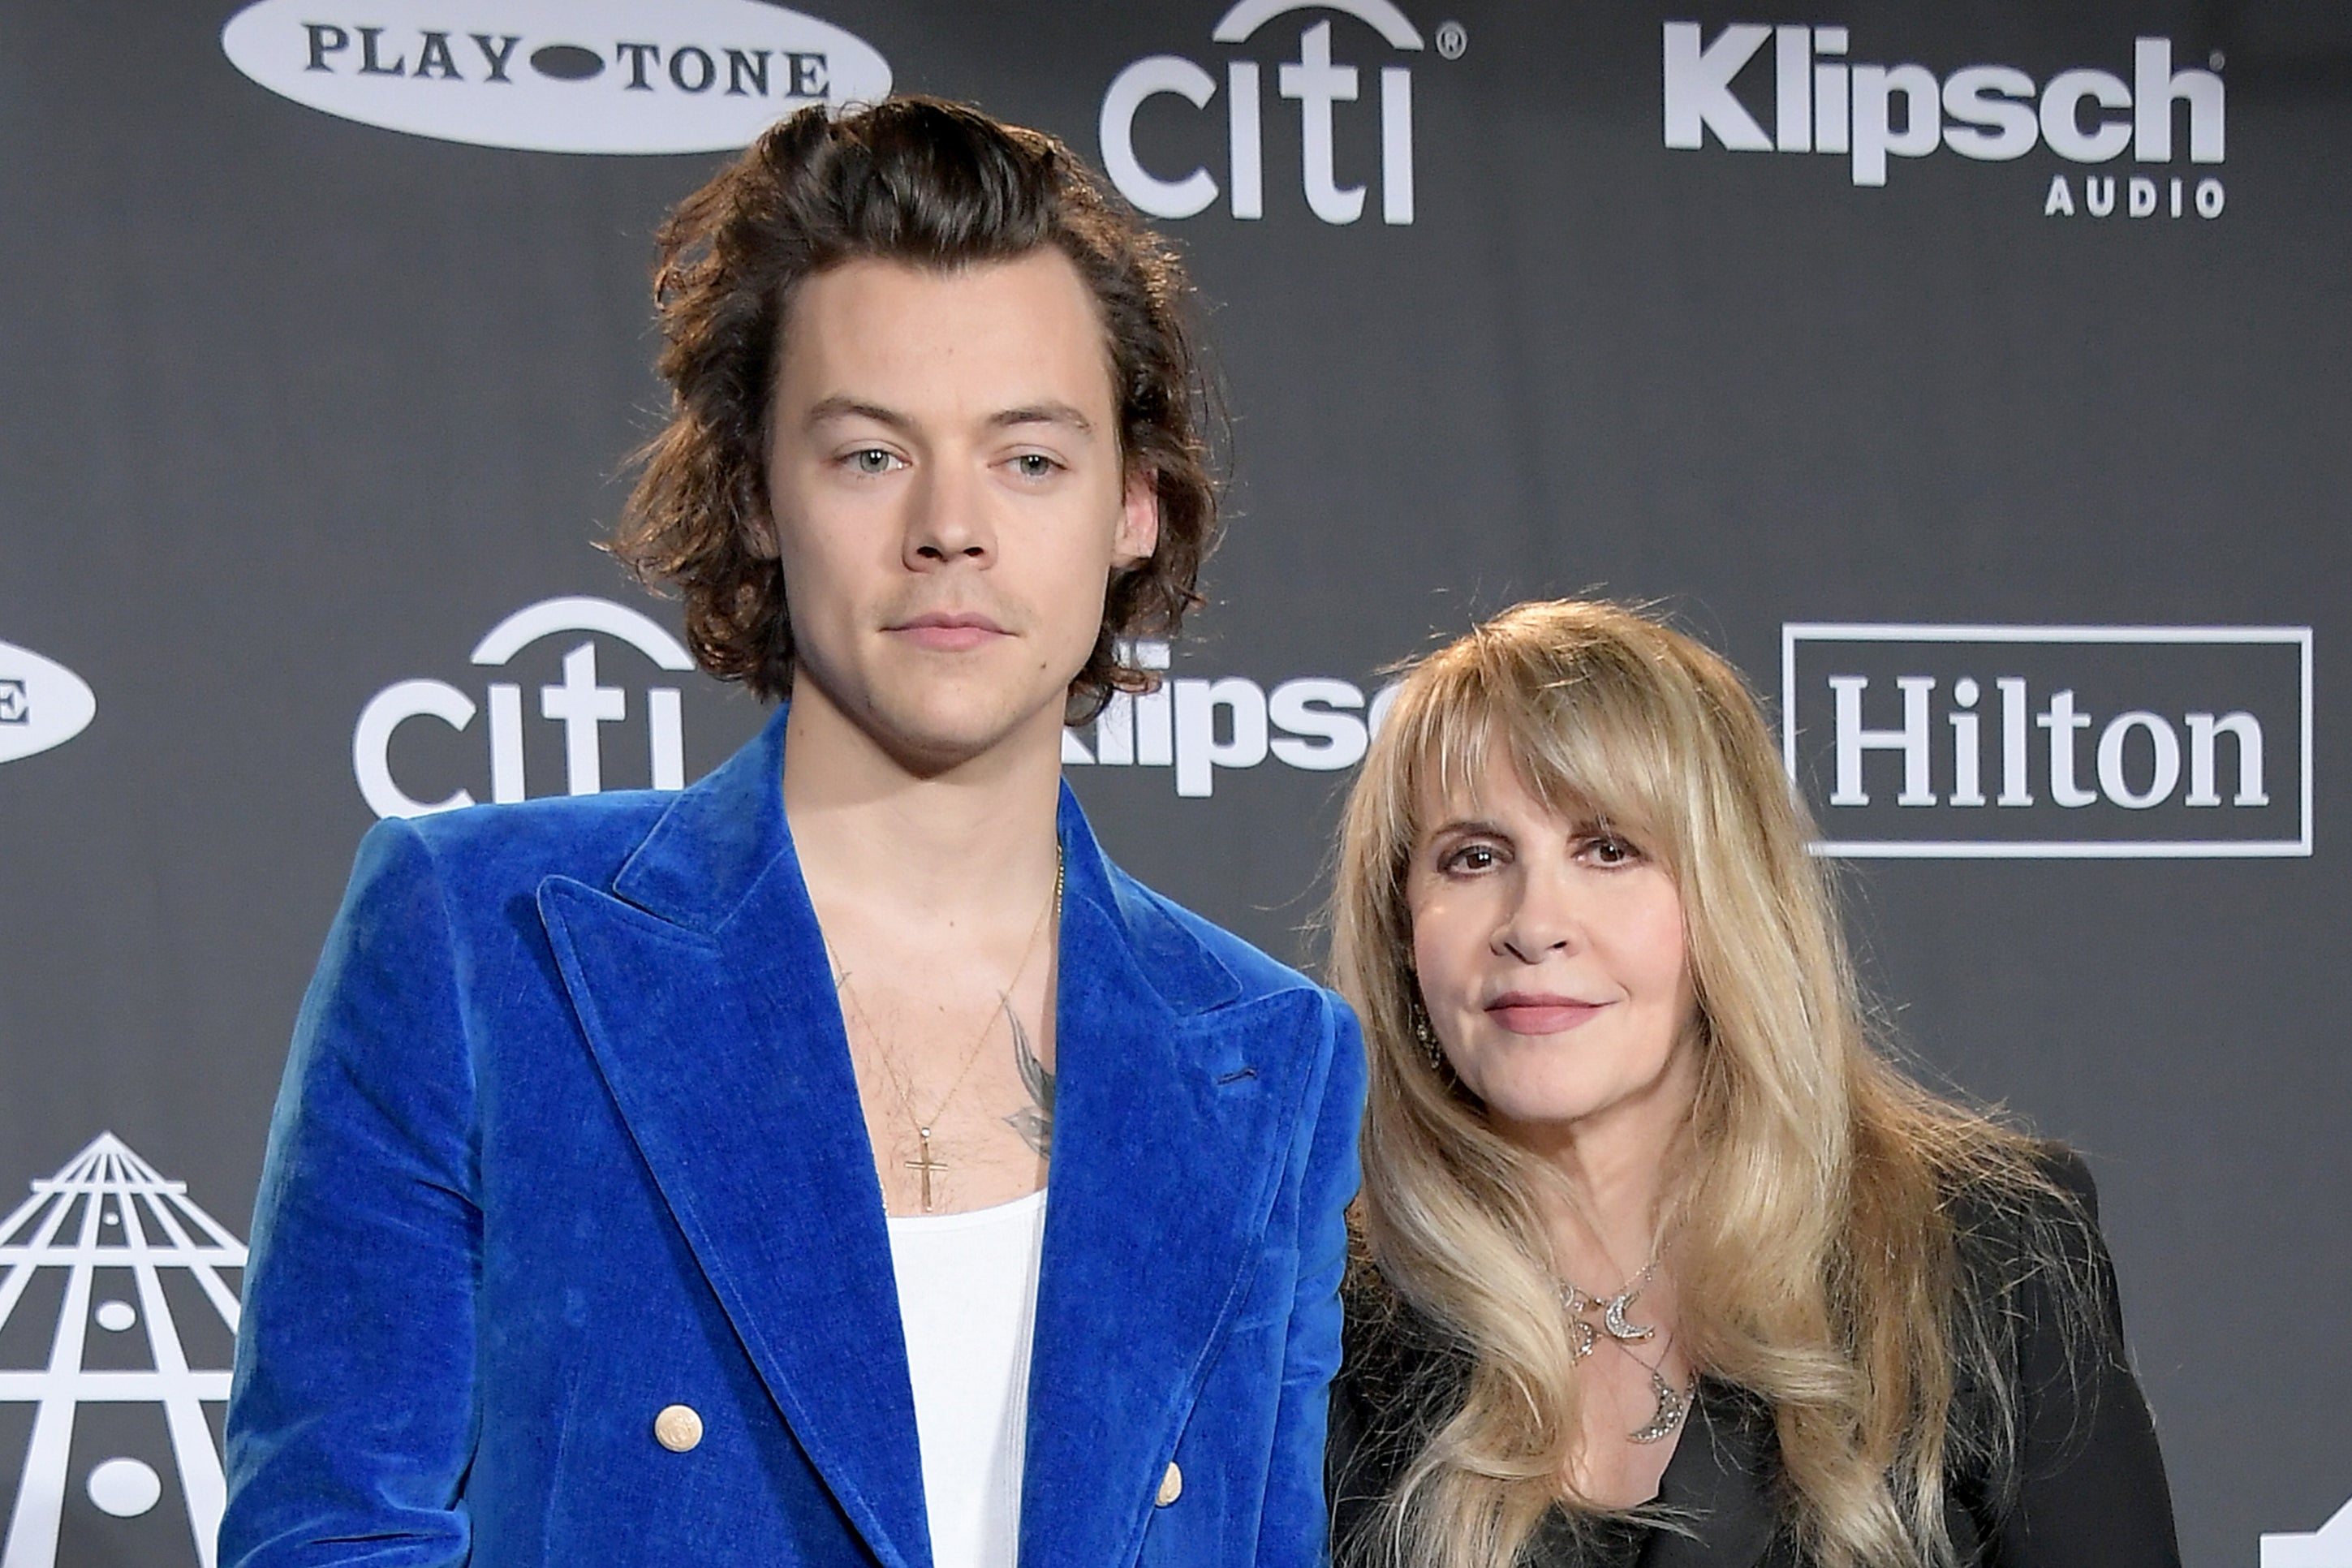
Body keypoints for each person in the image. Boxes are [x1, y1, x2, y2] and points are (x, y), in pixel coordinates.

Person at [220, 98, 1363, 1568]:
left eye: (1028, 457)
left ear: (1131, 507)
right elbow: (327, 1534)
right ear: (756, 491)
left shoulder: (1272, 1056)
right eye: (870, 454)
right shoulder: (479, 937)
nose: (949, 526)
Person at [1323, 601, 2178, 1568]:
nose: (1534, 922)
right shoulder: (1315, 1318)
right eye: (1474, 858)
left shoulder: (1989, 1260)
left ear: (1728, 895)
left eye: (1610, 849)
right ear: (1402, 925)